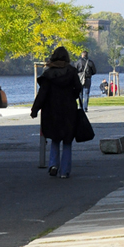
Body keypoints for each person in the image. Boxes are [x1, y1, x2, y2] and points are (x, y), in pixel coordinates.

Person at [31, 46, 82, 178]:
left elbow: (42, 94)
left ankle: (53, 164)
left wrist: (35, 109)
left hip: (52, 110)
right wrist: (72, 95)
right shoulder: (71, 71)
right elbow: (78, 88)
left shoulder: (48, 74)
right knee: (67, 141)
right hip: (69, 109)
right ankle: (64, 171)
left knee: (55, 139)